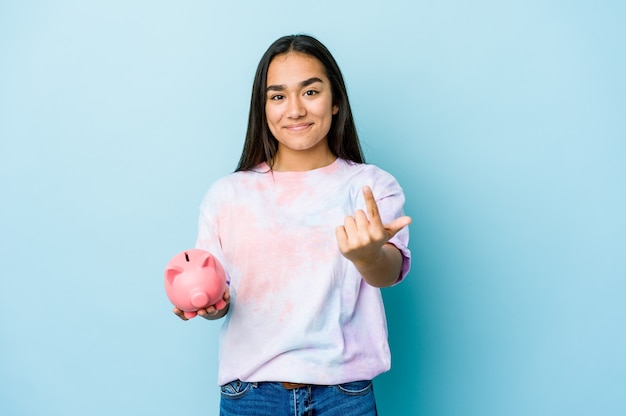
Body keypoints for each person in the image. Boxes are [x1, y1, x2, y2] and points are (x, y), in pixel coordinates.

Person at [173, 34, 411, 416]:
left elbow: (389, 270)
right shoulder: (227, 195)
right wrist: (210, 305)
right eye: (278, 96)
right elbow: (220, 297)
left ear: (335, 102)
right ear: (263, 108)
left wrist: (368, 256)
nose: (295, 109)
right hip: (250, 396)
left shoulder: (370, 186)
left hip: (343, 396)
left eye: (311, 92)